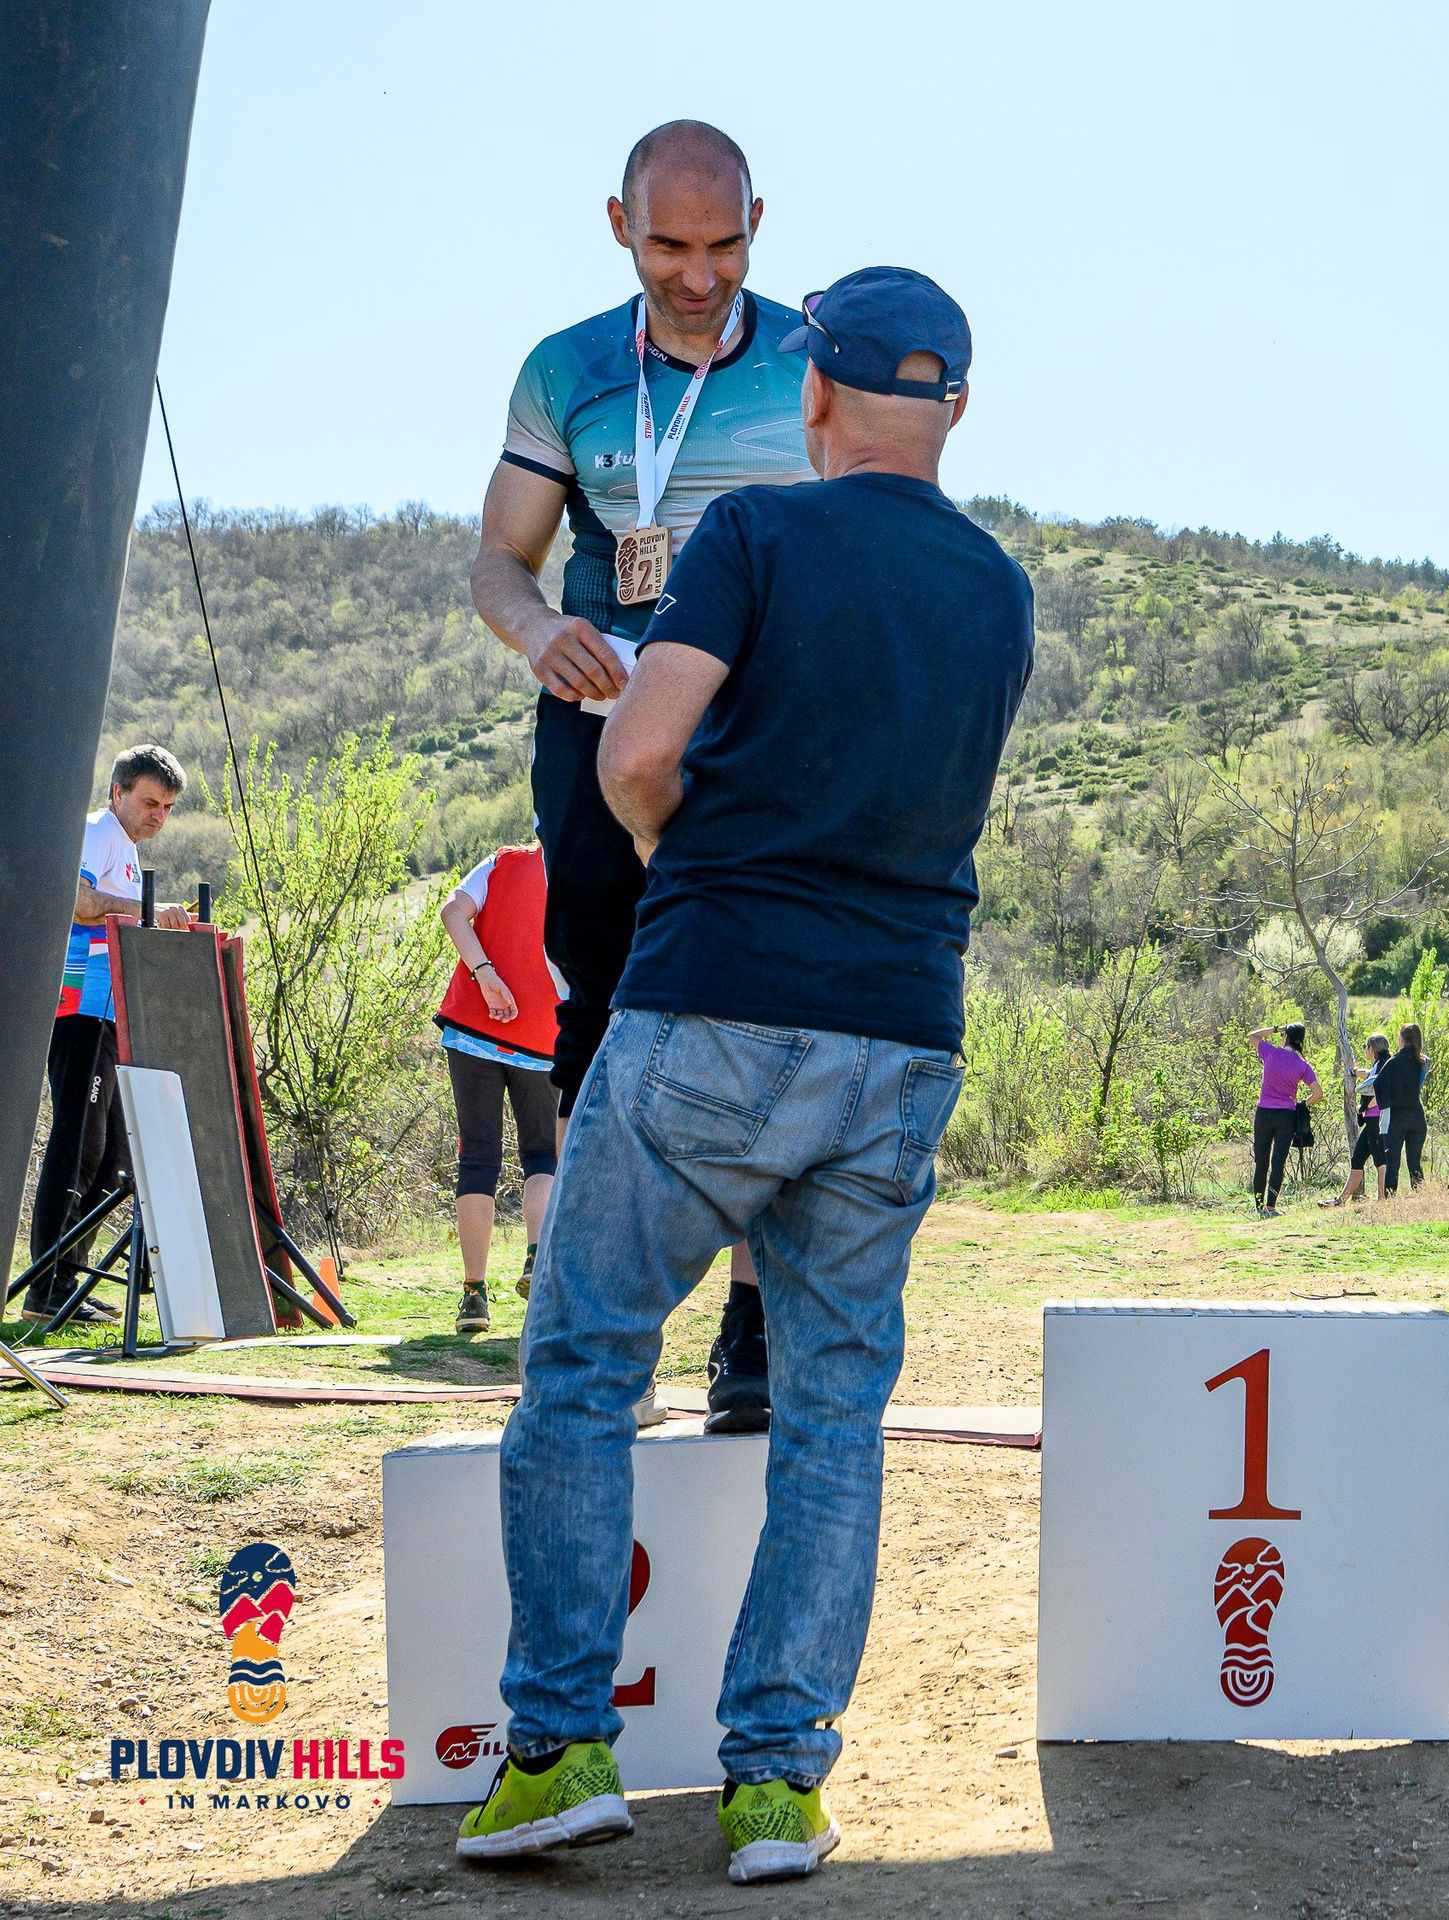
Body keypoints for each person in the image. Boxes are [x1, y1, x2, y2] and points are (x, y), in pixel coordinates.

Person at [460, 266, 1029, 1885]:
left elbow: (639, 751)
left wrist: (669, 851)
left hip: (712, 1004)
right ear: (961, 409)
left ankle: (558, 1749)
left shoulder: (755, 535)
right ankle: (777, 1785)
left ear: (818, 400)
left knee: (581, 1366)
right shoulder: (1002, 592)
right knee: (830, 1421)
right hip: (903, 1032)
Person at [468, 119, 811, 1429]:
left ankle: (757, 1331)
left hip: (760, 716)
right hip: (606, 708)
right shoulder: (565, 371)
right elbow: (502, 557)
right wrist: (535, 628)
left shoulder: (807, 360)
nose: (699, 274)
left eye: (724, 244)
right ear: (620, 228)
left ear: (757, 226)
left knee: (771, 1006)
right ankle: (593, 1330)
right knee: (605, 1004)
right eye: (669, 244)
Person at [25, 746, 192, 1323]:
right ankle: (45, 1288)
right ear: (118, 791)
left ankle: (68, 1283)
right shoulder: (98, 831)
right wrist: (148, 908)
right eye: (149, 802)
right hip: (80, 1010)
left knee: (112, 1158)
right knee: (79, 1146)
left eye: (168, 808)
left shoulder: (125, 849)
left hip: (115, 1015)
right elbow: (76, 902)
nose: (158, 816)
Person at [434, 846, 565, 1335]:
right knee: (542, 1156)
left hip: (473, 1026)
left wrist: (485, 974)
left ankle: (474, 1296)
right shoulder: (587, 871)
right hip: (542, 1034)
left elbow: (453, 913)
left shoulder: (504, 861)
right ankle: (536, 1262)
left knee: (478, 1158)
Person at [1246, 1024, 1319, 1217]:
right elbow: (1318, 1093)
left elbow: (1252, 1035)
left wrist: (1276, 1028)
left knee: (1261, 1162)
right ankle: (1271, 1208)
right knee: (1278, 1162)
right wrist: (1302, 1103)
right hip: (1286, 1116)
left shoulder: (1270, 1053)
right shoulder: (1303, 1064)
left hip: (1263, 1113)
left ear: (1285, 1036)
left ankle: (1259, 1206)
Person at [1320, 1032, 1393, 1208]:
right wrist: (1353, 1070)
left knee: (1380, 1161)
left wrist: (1364, 1107)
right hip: (1371, 1120)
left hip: (1377, 1119)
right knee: (1358, 1159)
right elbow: (1369, 1075)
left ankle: (1382, 1201)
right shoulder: (1379, 1065)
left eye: (1366, 1047)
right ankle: (1341, 1201)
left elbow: (1380, 1092)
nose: (1365, 1050)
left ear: (1371, 1048)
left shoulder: (1383, 1066)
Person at [1370, 1022, 1429, 1195]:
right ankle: (1420, 1197)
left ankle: (1390, 1200)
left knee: (1392, 1162)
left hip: (1397, 1117)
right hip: (1417, 1116)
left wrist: (1386, 1103)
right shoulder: (1421, 1062)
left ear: (1402, 1039)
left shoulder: (1393, 1062)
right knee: (1415, 1163)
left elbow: (1378, 1083)